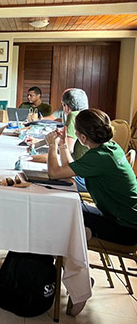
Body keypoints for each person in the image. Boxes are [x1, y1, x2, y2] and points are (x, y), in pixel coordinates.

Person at [46, 108, 137, 316]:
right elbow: (73, 167)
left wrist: (51, 145)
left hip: (126, 229)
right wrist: (61, 146)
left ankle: (80, 285)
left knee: (65, 226)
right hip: (122, 218)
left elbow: (54, 173)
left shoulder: (99, 158)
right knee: (66, 216)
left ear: (83, 136)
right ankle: (78, 278)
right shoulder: (109, 148)